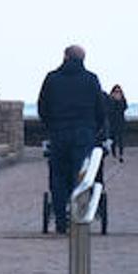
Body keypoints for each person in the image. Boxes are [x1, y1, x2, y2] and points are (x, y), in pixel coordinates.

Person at [37, 45, 106, 236]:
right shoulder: (91, 79)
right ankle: (79, 217)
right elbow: (100, 110)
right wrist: (94, 129)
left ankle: (60, 220)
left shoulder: (52, 78)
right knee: (81, 174)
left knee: (58, 176)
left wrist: (51, 125)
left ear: (65, 57)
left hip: (59, 132)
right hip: (84, 133)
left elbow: (43, 106)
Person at [103, 84, 129, 162]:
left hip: (120, 121)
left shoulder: (123, 99)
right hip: (112, 121)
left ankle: (121, 154)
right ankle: (114, 154)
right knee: (113, 139)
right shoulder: (110, 99)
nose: (117, 93)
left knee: (121, 139)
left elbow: (124, 107)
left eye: (119, 91)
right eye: (116, 91)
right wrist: (114, 100)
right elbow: (109, 110)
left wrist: (120, 101)